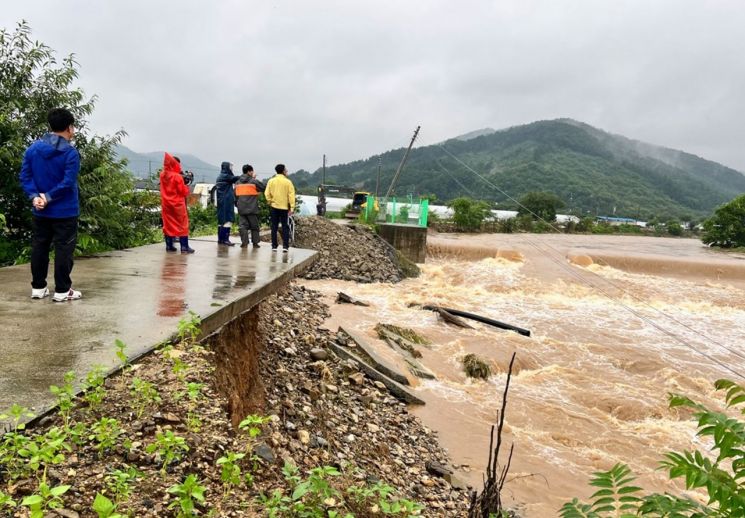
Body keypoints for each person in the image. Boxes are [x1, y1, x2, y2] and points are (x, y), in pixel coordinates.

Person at [19, 108, 82, 302]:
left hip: (40, 210)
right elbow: (67, 182)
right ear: (69, 128)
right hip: (65, 211)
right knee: (64, 249)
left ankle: (38, 288)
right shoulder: (70, 153)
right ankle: (63, 290)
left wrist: (35, 197)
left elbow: (25, 176)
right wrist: (48, 196)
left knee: (39, 247)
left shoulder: (32, 149)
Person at [160, 153, 194, 253]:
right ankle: (184, 247)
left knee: (168, 224)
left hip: (166, 203)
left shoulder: (162, 175)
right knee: (182, 224)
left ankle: (169, 246)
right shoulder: (177, 177)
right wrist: (186, 185)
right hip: (177, 204)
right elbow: (183, 191)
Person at [264, 163, 296, 252]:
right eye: (286, 170)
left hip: (274, 207)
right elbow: (291, 195)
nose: (287, 171)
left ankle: (274, 246)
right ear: (283, 171)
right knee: (285, 226)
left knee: (274, 226)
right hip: (284, 208)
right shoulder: (288, 182)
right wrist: (292, 208)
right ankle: (285, 246)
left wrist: (270, 201)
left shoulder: (271, 181)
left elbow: (266, 193)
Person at [234, 164, 265, 248]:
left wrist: (238, 205)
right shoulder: (253, 181)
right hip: (252, 208)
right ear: (249, 172)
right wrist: (254, 179)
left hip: (241, 208)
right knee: (254, 226)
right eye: (252, 171)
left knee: (242, 226)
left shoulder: (237, 182)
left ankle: (244, 242)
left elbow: (235, 195)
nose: (253, 173)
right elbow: (263, 187)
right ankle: (255, 243)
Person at [215, 161, 239, 246]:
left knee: (221, 220)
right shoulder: (226, 176)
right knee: (227, 220)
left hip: (222, 201)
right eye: (230, 167)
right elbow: (236, 178)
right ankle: (225, 240)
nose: (231, 169)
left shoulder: (220, 176)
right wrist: (245, 175)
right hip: (226, 201)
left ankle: (221, 239)